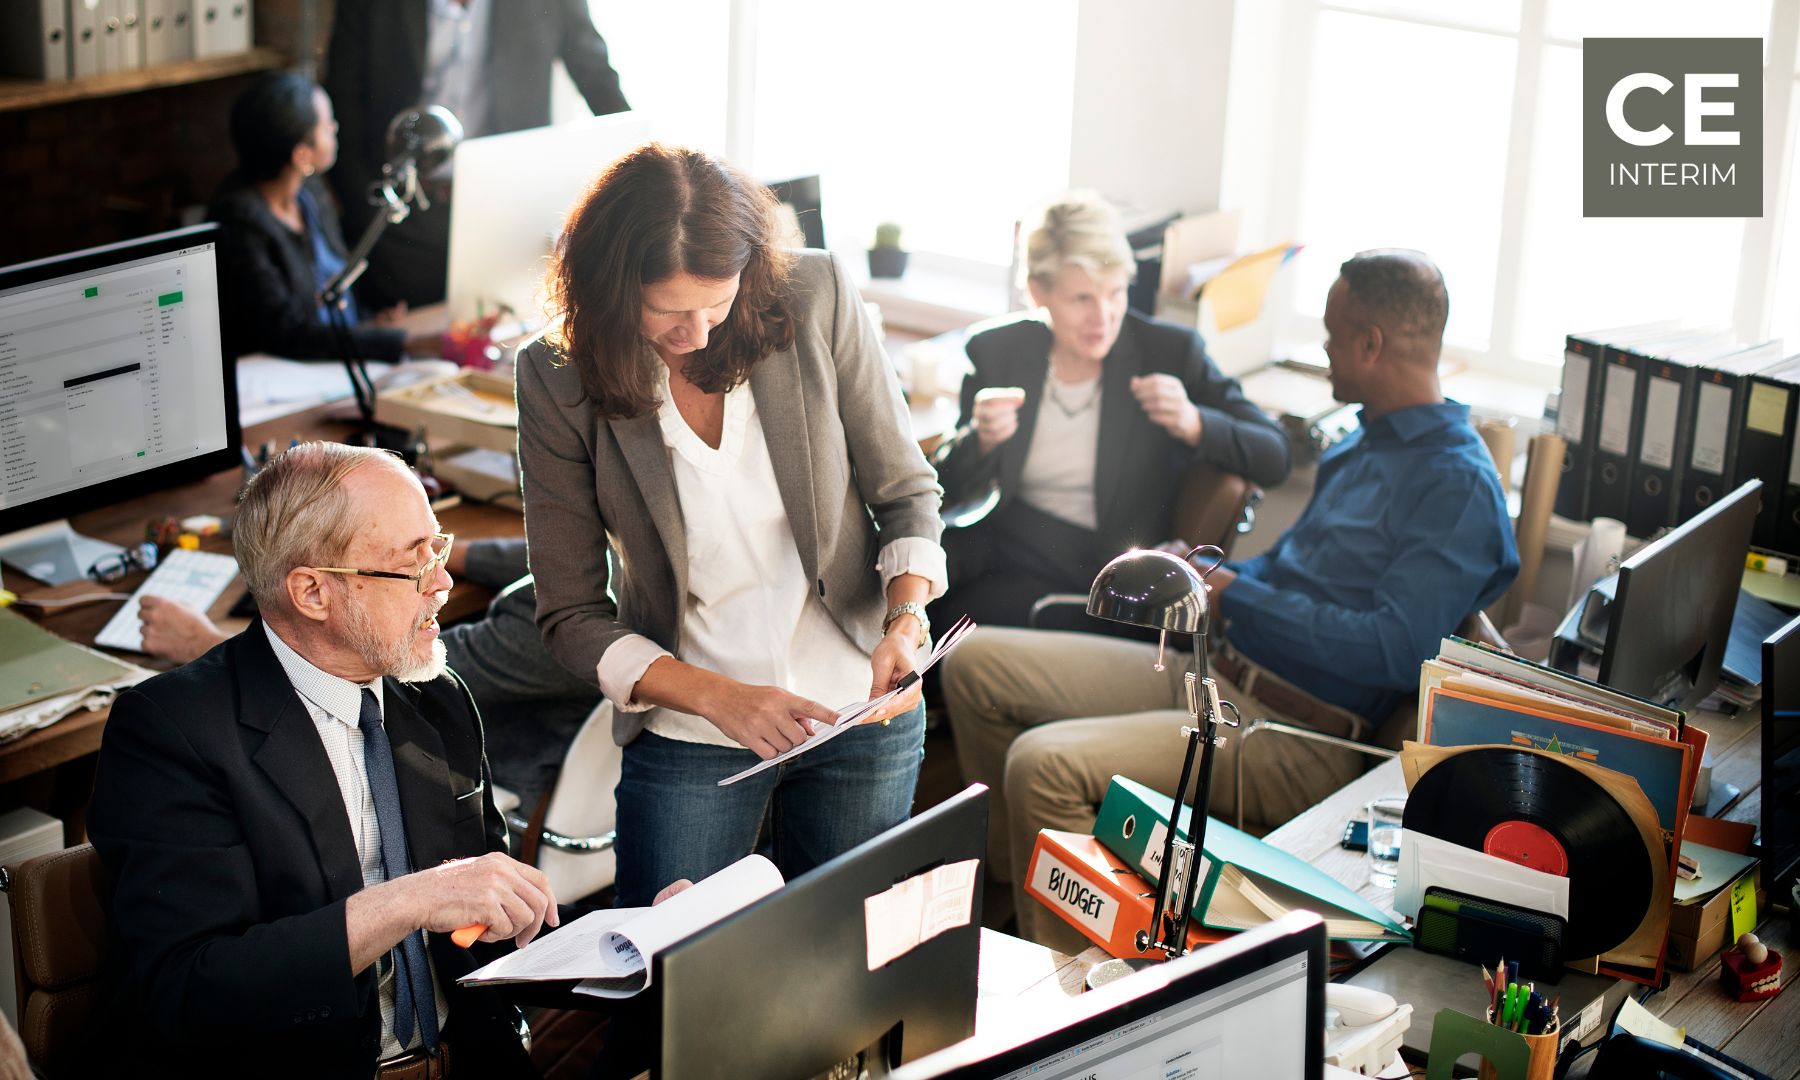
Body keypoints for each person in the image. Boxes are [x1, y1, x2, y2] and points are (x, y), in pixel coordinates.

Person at [944, 250, 1520, 950]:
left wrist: (1239, 596)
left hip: (1301, 734)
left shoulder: (1454, 487)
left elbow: (1389, 651)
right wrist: (1209, 572)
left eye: (1335, 334)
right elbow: (1292, 564)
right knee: (972, 665)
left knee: (1043, 763)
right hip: (1218, 674)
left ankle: (1065, 1005)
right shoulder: (1363, 443)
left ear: (1371, 344)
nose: (1325, 348)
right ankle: (1021, 904)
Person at [516, 144, 946, 908]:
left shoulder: (815, 293)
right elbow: (570, 615)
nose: (700, 330)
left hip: (857, 711)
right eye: (669, 310)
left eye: (717, 300)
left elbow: (906, 491)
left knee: (847, 965)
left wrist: (907, 622)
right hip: (694, 730)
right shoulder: (556, 375)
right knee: (665, 984)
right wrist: (719, 697)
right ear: (613, 288)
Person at [88, 443, 558, 1076]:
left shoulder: (435, 698)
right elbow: (189, 990)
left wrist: (631, 942)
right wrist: (410, 901)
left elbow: (488, 919)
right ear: (311, 592)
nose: (443, 584)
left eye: (437, 549)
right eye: (413, 563)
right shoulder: (173, 733)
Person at [931, 192, 1290, 633]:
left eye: (1115, 292)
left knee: (953, 624)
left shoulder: (1170, 352)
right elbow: (943, 491)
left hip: (1103, 571)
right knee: (912, 576)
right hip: (1003, 542)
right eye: (1081, 298)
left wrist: (1194, 423)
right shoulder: (997, 349)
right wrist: (979, 439)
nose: (1103, 317)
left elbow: (1275, 455)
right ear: (1039, 292)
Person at [134, 536, 599, 813]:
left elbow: (382, 663)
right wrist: (430, 545)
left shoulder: (566, 629)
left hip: (471, 796)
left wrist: (205, 645)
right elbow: (545, 549)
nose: (442, 582)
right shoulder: (632, 566)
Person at [322, 0, 631, 308]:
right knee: (408, 338)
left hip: (504, 208)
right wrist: (365, 207)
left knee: (496, 331)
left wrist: (644, 167)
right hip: (403, 214)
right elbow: (344, 106)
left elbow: (597, 78)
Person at [208, 72, 439, 364]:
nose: (335, 127)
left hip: (338, 358)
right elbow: (288, 334)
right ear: (302, 155)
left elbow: (333, 282)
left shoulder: (310, 193)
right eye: (326, 124)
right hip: (292, 373)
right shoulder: (239, 221)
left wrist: (369, 323)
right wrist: (403, 343)